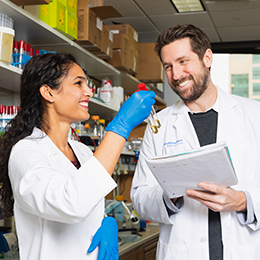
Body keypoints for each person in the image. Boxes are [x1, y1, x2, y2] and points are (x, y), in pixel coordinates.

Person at [0, 52, 155, 260]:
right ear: (48, 92)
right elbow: (71, 203)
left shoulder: (81, 150)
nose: (89, 92)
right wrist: (121, 126)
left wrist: (105, 220)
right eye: (78, 83)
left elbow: (88, 198)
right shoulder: (26, 152)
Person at [131, 24, 260, 260]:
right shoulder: (158, 126)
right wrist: (170, 195)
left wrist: (241, 201)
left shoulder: (255, 115)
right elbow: (140, 198)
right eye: (168, 66)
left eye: (183, 61)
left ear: (207, 58)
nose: (176, 75)